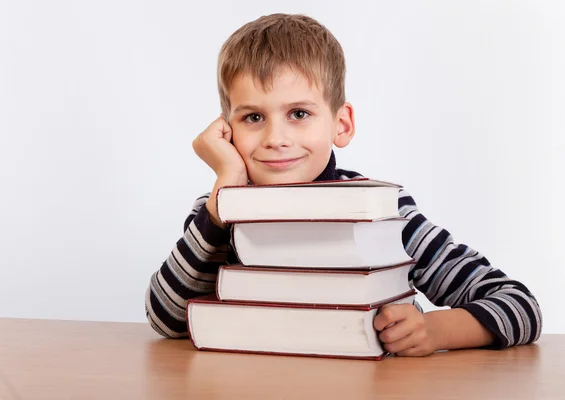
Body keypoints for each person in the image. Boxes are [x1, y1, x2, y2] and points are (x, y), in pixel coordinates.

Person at [145, 13, 542, 356]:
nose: (275, 138)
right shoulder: (214, 213)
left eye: (298, 113)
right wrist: (223, 197)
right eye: (252, 117)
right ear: (225, 129)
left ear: (341, 124)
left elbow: (521, 307)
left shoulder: (382, 213)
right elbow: (166, 320)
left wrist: (435, 330)